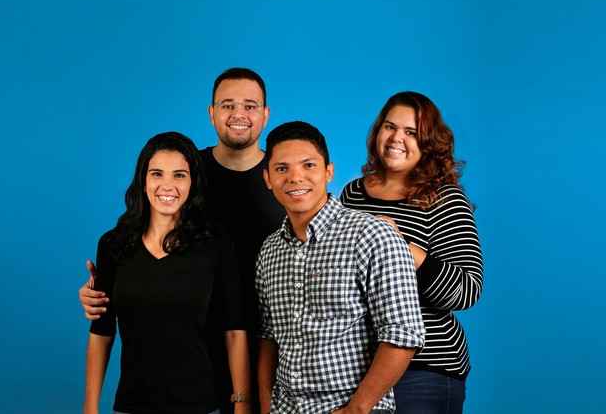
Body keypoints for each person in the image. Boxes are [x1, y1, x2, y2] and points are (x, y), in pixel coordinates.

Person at [81, 68, 282, 413]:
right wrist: (100, 295)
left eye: (250, 106)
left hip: (269, 349)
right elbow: (108, 316)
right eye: (227, 104)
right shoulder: (189, 164)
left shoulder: (284, 178)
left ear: (265, 115)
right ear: (211, 113)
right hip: (187, 352)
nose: (238, 114)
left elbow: (321, 234)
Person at [256, 121, 425, 414]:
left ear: (328, 172)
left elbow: (403, 333)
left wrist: (355, 410)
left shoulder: (372, 235)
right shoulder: (270, 250)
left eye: (308, 165)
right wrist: (266, 405)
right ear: (268, 179)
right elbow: (269, 335)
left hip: (348, 408)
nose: (296, 178)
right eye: (282, 169)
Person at [84, 132, 252, 414]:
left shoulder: (216, 244)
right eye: (157, 173)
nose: (167, 185)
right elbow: (101, 330)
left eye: (179, 175)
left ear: (192, 182)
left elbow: (234, 330)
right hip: (132, 404)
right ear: (143, 180)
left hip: (200, 405)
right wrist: (90, 406)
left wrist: (242, 404)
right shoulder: (114, 245)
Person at [339, 92, 483, 414]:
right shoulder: (352, 194)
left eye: (411, 132)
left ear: (428, 142)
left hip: (425, 368)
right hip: (359, 368)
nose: (396, 138)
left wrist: (405, 250)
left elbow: (467, 291)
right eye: (390, 127)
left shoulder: (444, 199)